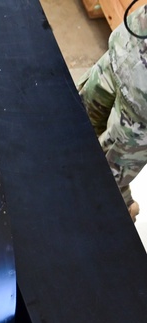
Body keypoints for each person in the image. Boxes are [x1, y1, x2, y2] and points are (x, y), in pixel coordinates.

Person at [77, 3, 147, 221]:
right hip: (126, 50)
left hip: (139, 111)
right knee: (73, 126)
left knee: (103, 179)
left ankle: (118, 211)